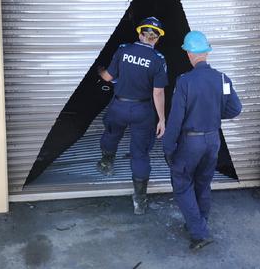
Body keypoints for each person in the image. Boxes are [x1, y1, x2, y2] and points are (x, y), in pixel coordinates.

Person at [163, 30, 242, 251]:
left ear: (189, 53)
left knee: (181, 184)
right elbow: (236, 109)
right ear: (206, 52)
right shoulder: (222, 79)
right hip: (212, 140)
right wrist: (214, 114)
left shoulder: (185, 81)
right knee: (203, 183)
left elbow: (175, 119)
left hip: (191, 143)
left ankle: (199, 232)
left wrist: (168, 147)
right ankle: (200, 223)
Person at [96, 16, 167, 215]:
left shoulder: (123, 49)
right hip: (143, 110)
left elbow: (108, 78)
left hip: (119, 106)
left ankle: (106, 163)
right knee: (140, 153)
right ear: (157, 38)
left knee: (111, 134)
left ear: (139, 33)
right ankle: (139, 200)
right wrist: (161, 118)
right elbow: (158, 92)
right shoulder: (158, 60)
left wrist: (100, 70)